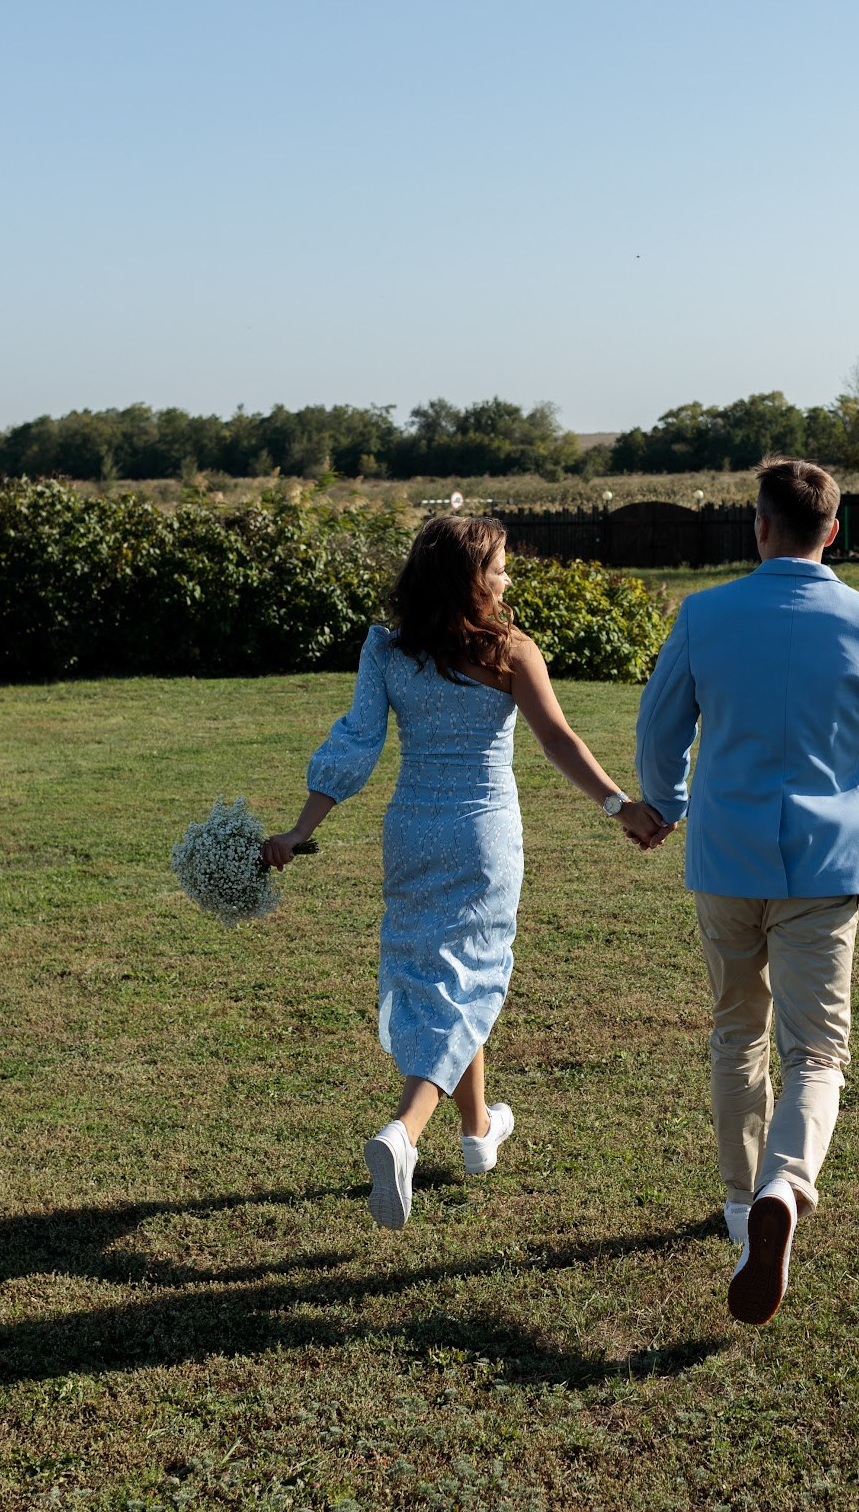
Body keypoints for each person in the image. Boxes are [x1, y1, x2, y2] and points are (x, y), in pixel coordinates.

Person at [264, 515, 666, 1229]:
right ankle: (405, 1129)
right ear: (472, 578)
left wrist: (301, 828)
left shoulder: (388, 648)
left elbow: (355, 741)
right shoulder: (512, 650)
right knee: (471, 975)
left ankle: (478, 1131)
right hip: (482, 835)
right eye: (500, 567)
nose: (508, 579)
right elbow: (558, 739)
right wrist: (619, 805)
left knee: (440, 974)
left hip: (411, 831)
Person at [634, 457, 859, 1324]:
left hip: (727, 856)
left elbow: (659, 729)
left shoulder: (703, 614)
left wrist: (665, 803)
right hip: (827, 862)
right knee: (817, 1050)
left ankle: (742, 1204)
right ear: (833, 531)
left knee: (737, 1031)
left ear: (760, 525)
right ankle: (786, 1182)